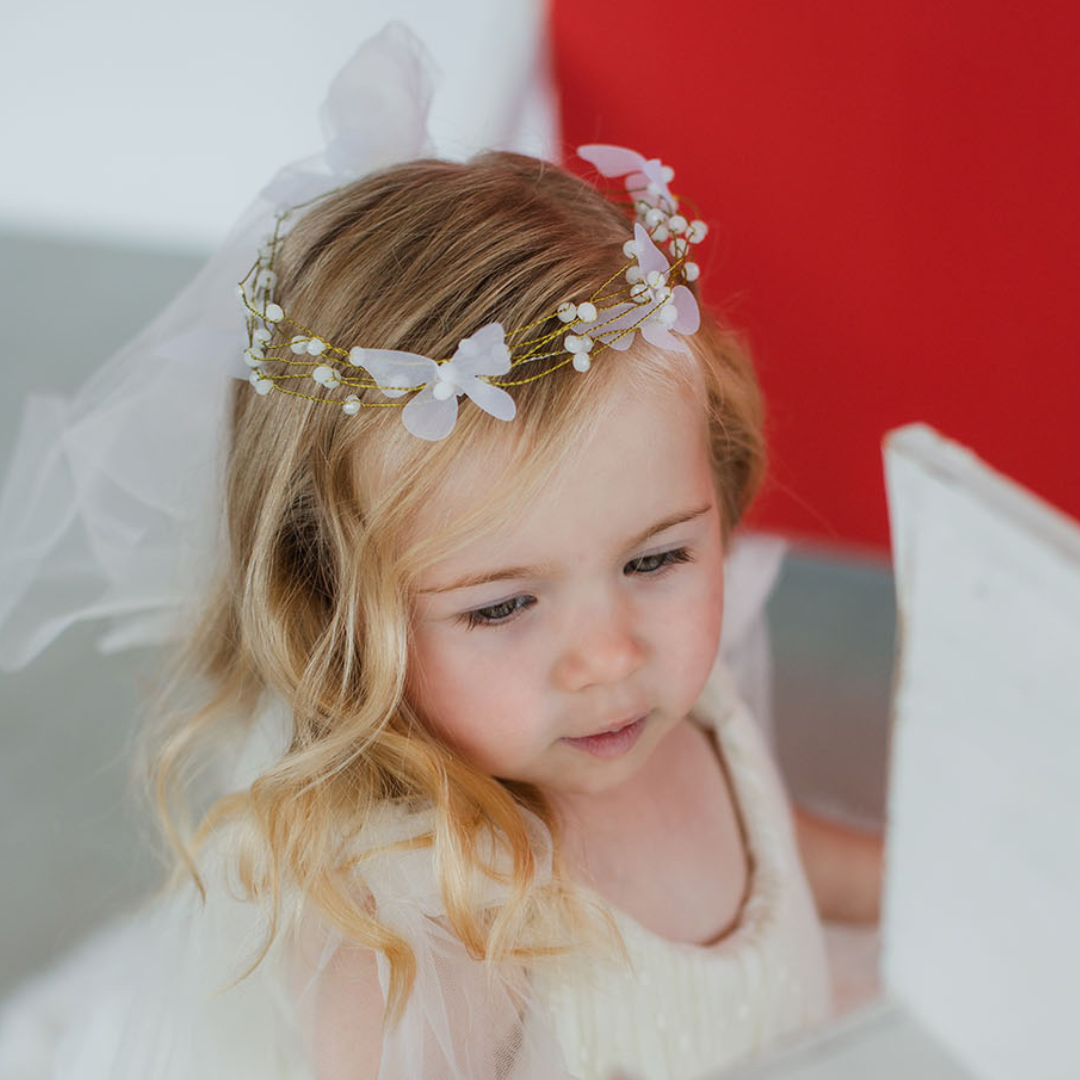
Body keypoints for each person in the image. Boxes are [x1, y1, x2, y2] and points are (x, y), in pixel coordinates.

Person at [0, 24, 882, 1080]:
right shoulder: (433, 926)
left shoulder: (682, 715)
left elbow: (790, 859)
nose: (608, 654)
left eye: (654, 561)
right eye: (503, 607)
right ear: (339, 611)